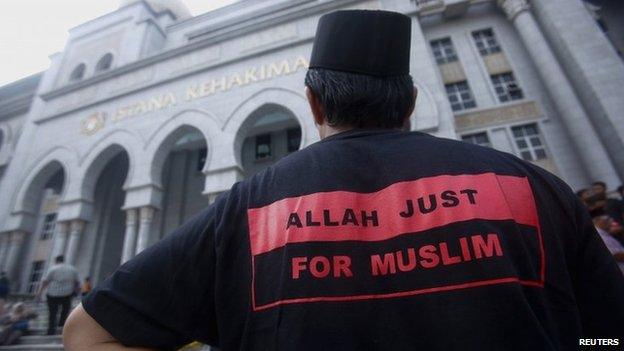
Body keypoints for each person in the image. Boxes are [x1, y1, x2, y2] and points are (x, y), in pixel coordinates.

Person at [63, 10, 624, 350]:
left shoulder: (251, 210)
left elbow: (85, 333)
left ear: (311, 103)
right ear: (410, 101)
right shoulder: (529, 186)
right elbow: (611, 332)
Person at [37, 255, 79, 335]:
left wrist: (39, 292)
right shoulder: (72, 269)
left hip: (53, 293)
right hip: (67, 293)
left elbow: (45, 281)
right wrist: (77, 292)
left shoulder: (53, 269)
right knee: (64, 311)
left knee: (52, 312)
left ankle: (51, 330)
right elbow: (77, 282)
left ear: (56, 261)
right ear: (64, 260)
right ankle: (61, 326)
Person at [591, 208, 624, 275]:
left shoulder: (601, 232)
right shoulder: (600, 236)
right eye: (607, 220)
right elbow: (616, 255)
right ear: (599, 221)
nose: (610, 223)